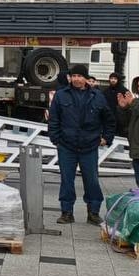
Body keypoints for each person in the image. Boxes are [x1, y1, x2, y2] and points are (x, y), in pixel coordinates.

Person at [47, 63, 116, 225]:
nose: (77, 79)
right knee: (66, 180)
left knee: (92, 180)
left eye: (80, 76)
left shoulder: (98, 96)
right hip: (66, 145)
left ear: (86, 78)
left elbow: (109, 119)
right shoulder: (60, 95)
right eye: (74, 76)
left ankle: (93, 212)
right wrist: (55, 139)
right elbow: (54, 119)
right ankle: (66, 212)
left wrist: (106, 137)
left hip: (90, 146)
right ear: (70, 78)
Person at [105, 72, 129, 137]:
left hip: (120, 120)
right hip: (108, 118)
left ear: (118, 80)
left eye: (115, 78)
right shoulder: (106, 91)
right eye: (111, 78)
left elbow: (128, 105)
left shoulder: (124, 90)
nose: (113, 80)